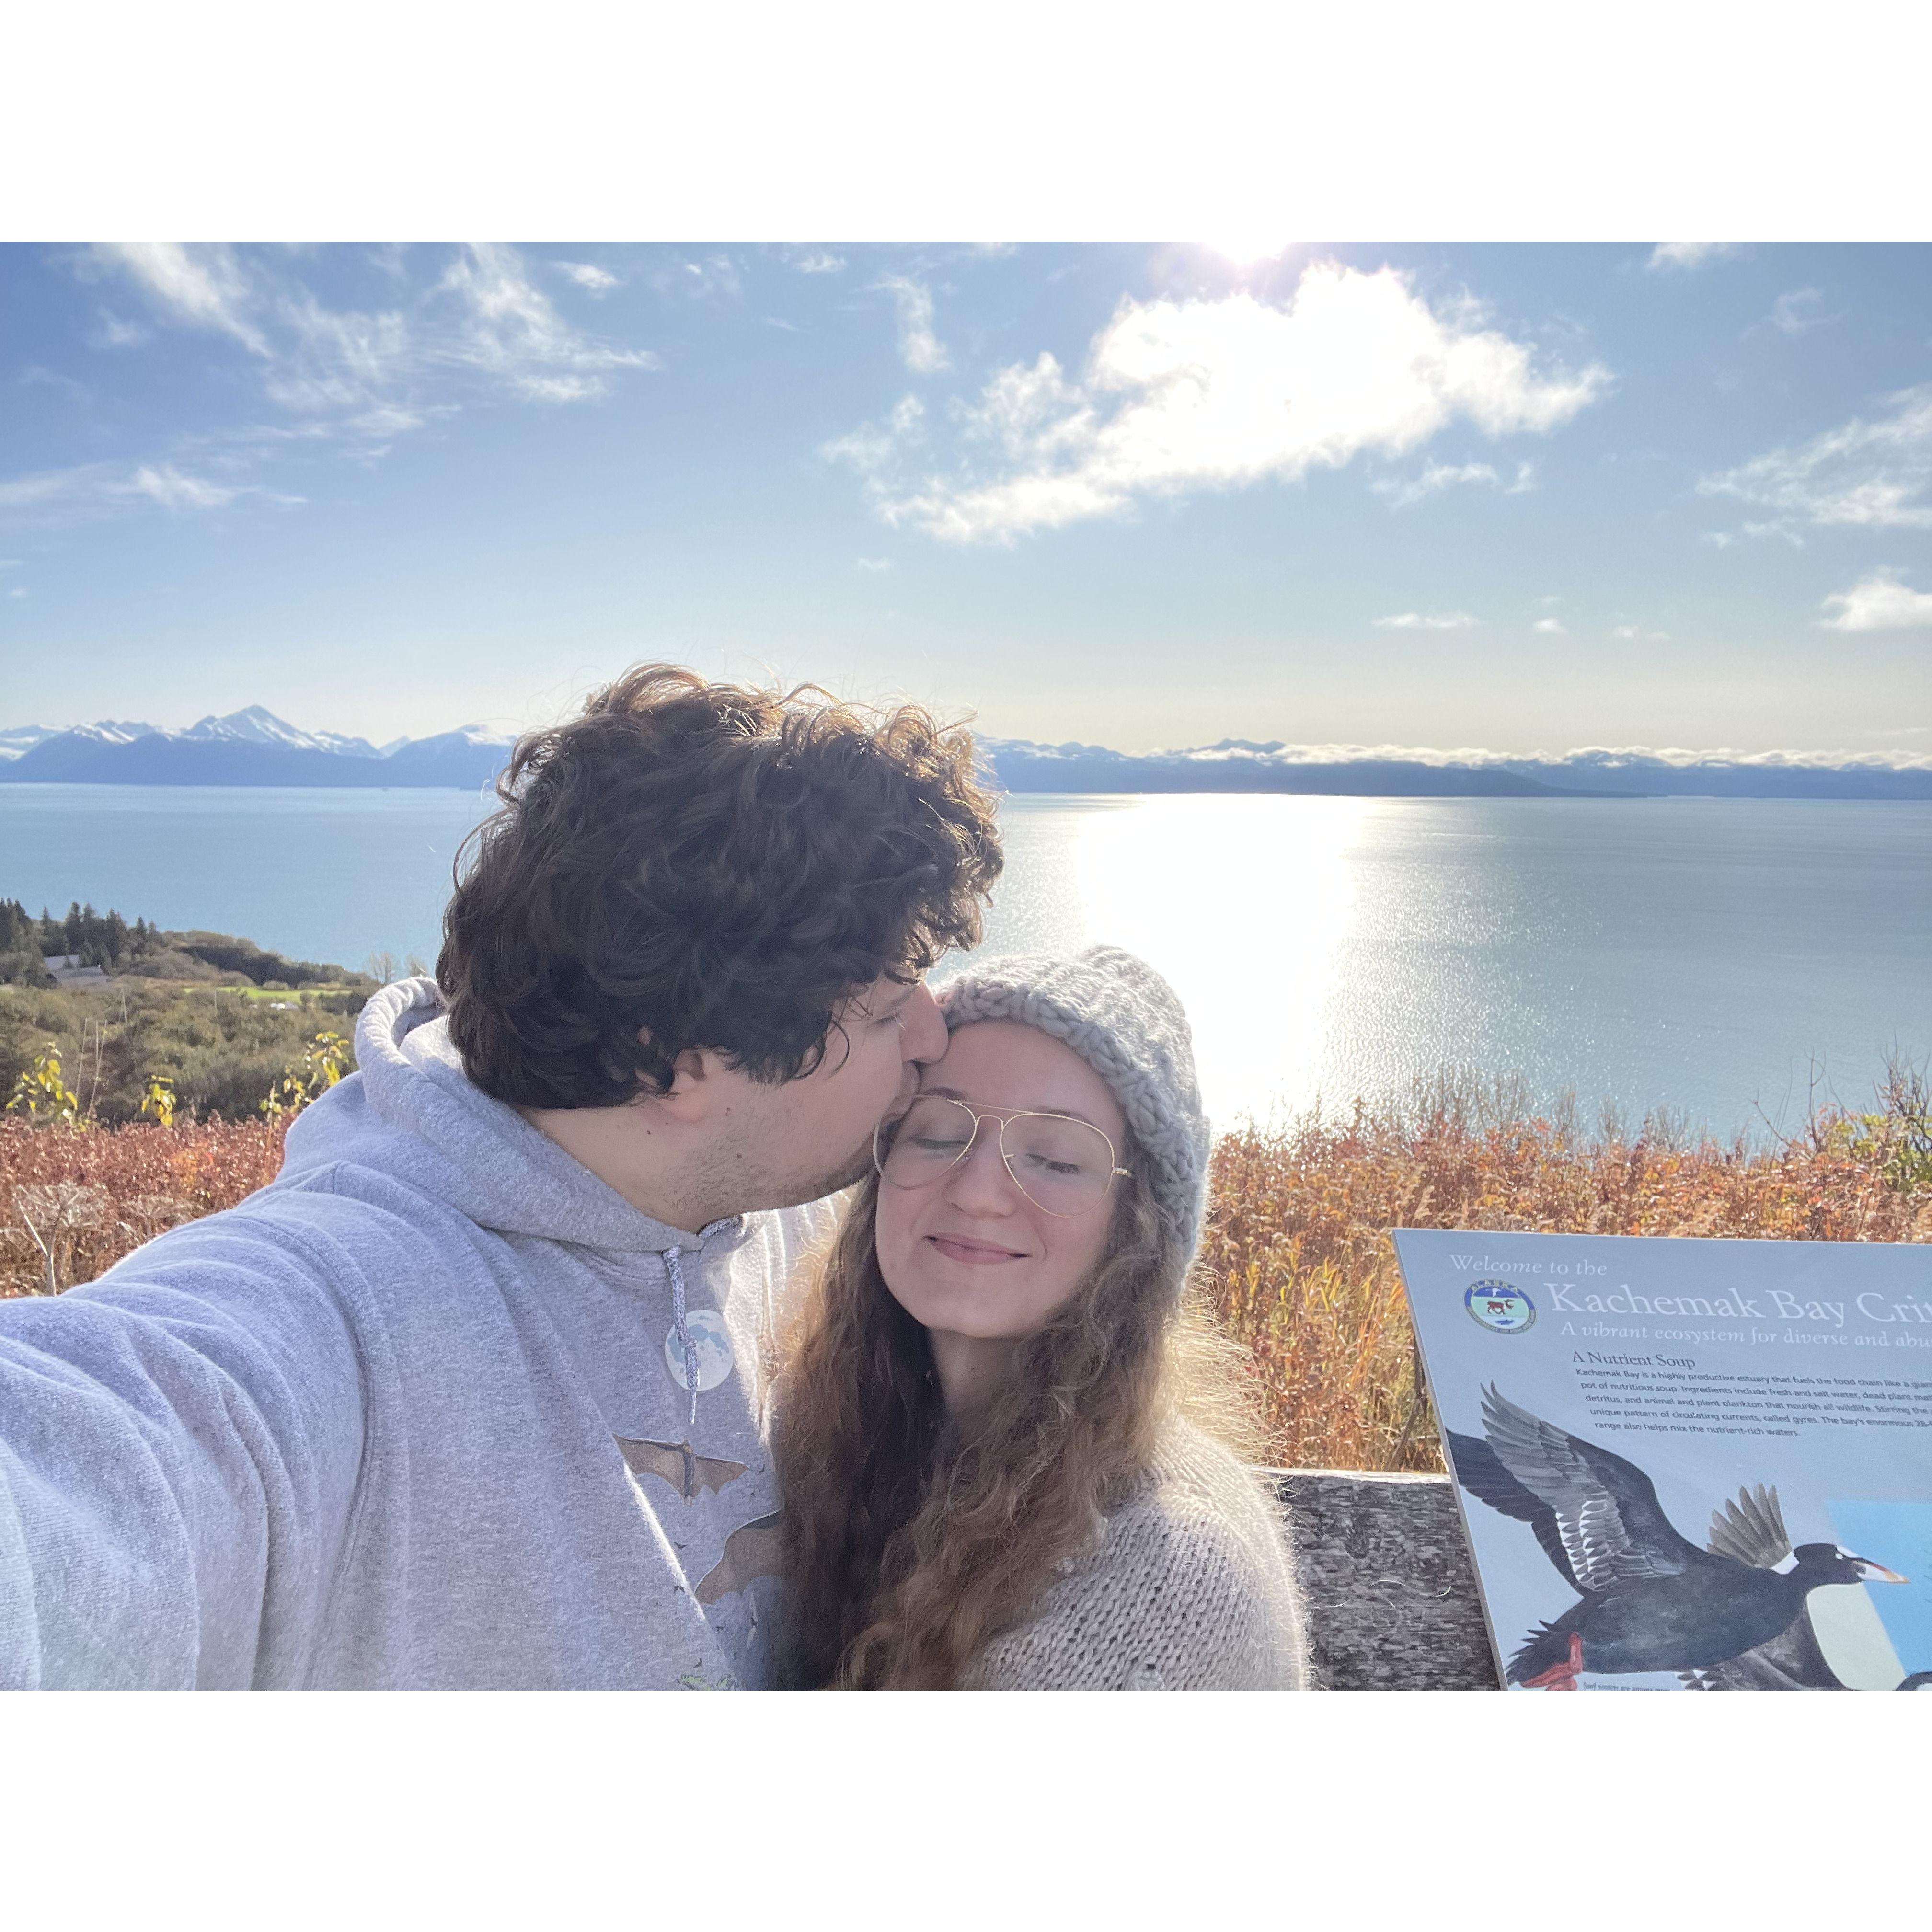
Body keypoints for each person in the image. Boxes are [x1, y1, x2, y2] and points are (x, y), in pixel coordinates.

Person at [0, 664, 1001, 1688]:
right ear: (678, 1065)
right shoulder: (333, 1322)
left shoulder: (778, 1193)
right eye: (887, 1012)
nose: (936, 1032)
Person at [775, 946, 1309, 1690]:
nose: (980, 1190)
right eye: (935, 1131)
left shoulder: (1163, 1577)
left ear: (1138, 1229)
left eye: (1056, 1158)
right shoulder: (867, 1442)